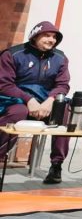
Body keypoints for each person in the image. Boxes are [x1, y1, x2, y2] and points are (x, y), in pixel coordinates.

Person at [0, 21, 71, 184]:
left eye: (54, 37)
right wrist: (29, 100)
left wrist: (50, 100)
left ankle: (56, 165)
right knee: (17, 112)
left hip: (45, 103)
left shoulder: (60, 58)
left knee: (64, 110)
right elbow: (4, 84)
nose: (51, 40)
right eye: (46, 35)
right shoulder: (13, 54)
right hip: (16, 101)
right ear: (35, 36)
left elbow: (63, 85)